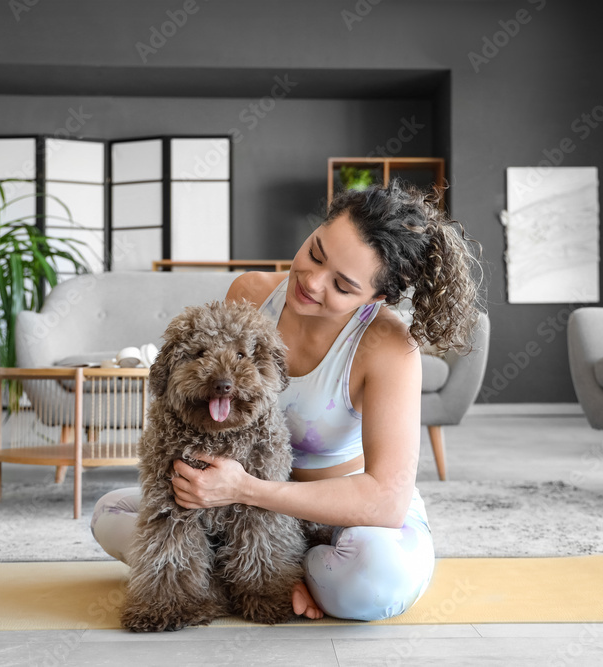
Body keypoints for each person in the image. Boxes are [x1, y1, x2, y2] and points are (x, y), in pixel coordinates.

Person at [92, 178, 483, 621]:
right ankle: (250, 571)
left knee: (375, 583)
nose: (312, 282)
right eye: (316, 252)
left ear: (377, 296)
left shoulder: (389, 347)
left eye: (342, 284)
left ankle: (282, 571)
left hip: (341, 514)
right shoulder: (251, 293)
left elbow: (385, 499)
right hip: (238, 504)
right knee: (109, 512)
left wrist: (247, 489)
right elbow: (201, 402)